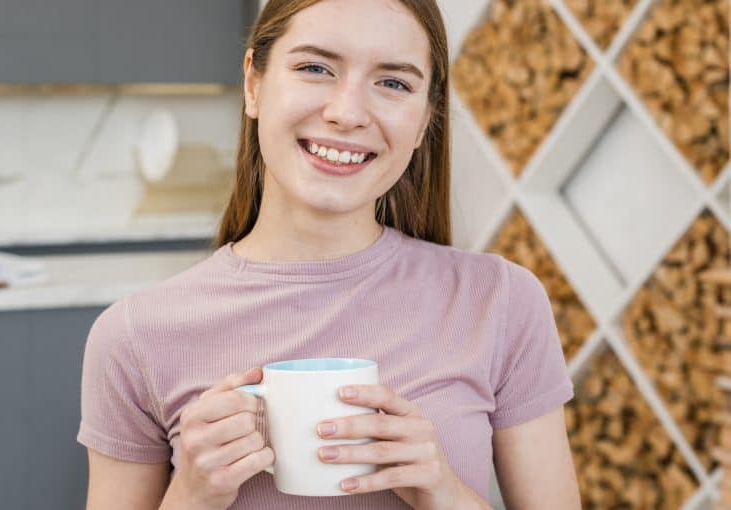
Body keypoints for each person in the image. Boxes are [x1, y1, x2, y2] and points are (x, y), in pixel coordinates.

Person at [77, 0, 581, 508]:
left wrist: (444, 494)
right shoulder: (133, 337)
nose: (347, 113)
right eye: (315, 68)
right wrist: (190, 495)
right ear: (254, 84)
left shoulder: (500, 301)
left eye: (394, 83)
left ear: (426, 119)